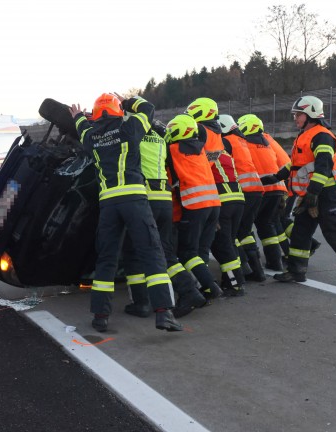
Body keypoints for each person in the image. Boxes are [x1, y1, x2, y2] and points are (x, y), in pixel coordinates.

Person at [69, 93, 182, 333]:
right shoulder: (130, 128)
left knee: (107, 259)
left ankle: (100, 316)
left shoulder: (91, 137)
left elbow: (81, 128)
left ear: (96, 115)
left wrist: (78, 116)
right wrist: (130, 100)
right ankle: (164, 313)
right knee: (151, 252)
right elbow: (149, 108)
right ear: (119, 111)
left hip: (109, 204)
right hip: (134, 200)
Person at [121, 119, 206, 319]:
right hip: (164, 201)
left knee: (133, 251)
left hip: (145, 200)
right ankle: (190, 290)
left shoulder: (133, 135)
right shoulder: (160, 137)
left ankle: (141, 303)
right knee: (165, 252)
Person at [263, 95, 336, 282]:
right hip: (310, 194)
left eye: (299, 115)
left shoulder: (322, 136)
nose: (295, 118)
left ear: (311, 114)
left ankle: (296, 270)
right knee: (300, 232)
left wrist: (313, 193)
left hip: (326, 194)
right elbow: (296, 165)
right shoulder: (304, 136)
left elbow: (323, 166)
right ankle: (297, 271)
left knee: (335, 234)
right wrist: (276, 177)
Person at [186, 98, 246, 296]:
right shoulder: (218, 135)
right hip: (234, 196)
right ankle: (236, 279)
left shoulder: (201, 131)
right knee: (227, 242)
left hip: (219, 196)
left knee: (219, 243)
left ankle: (234, 284)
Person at [165, 114, 224, 300]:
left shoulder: (173, 149)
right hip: (214, 205)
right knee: (201, 250)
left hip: (195, 205)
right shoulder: (201, 150)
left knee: (187, 252)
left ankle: (211, 286)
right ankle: (207, 287)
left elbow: (168, 179)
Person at [238, 114, 290, 273]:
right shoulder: (267, 143)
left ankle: (251, 264)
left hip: (259, 191)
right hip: (277, 190)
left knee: (245, 227)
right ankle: (275, 262)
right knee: (267, 226)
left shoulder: (244, 143)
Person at [218, 114, 266, 282]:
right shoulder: (241, 140)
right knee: (244, 233)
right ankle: (257, 272)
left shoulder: (226, 141)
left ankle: (241, 271)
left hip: (241, 191)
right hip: (256, 191)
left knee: (232, 236)